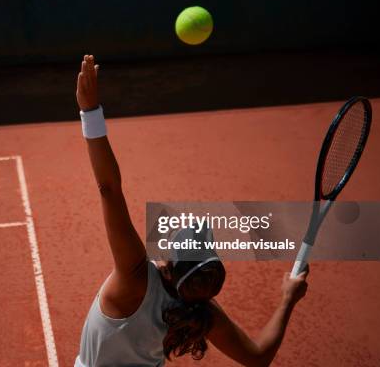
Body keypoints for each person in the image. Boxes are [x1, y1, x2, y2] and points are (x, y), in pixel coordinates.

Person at [74, 54, 309, 367]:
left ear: (170, 265)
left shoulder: (135, 277)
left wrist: (90, 110)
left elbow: (109, 188)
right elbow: (258, 357)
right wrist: (288, 299)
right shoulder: (202, 311)